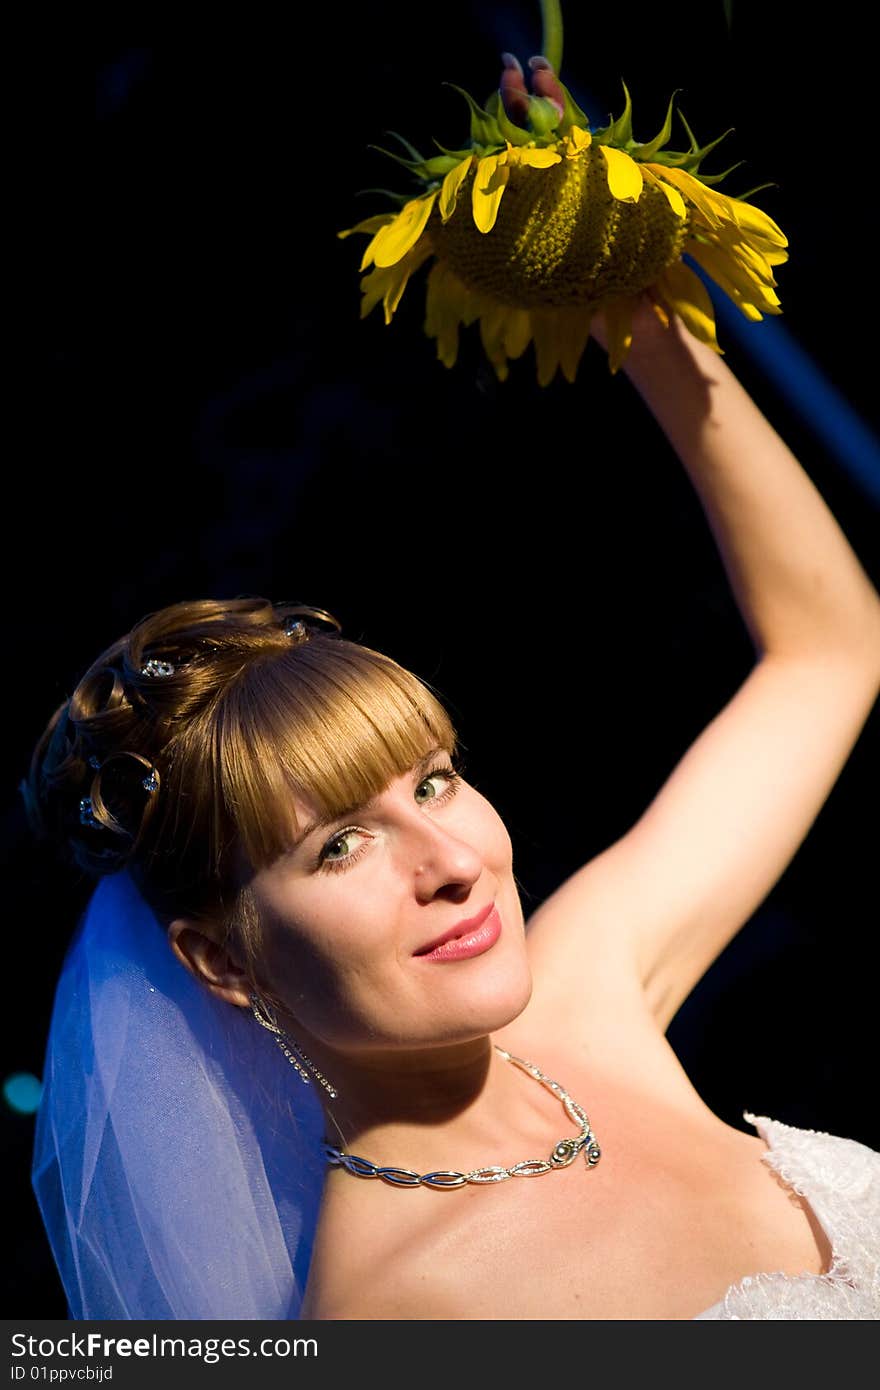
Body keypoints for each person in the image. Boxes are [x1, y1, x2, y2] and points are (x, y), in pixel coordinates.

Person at [26, 304, 880, 1320]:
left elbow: (830, 650)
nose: (450, 861)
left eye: (431, 781)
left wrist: (642, 323)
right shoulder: (400, 1311)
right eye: (340, 845)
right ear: (224, 961)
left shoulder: (586, 991)